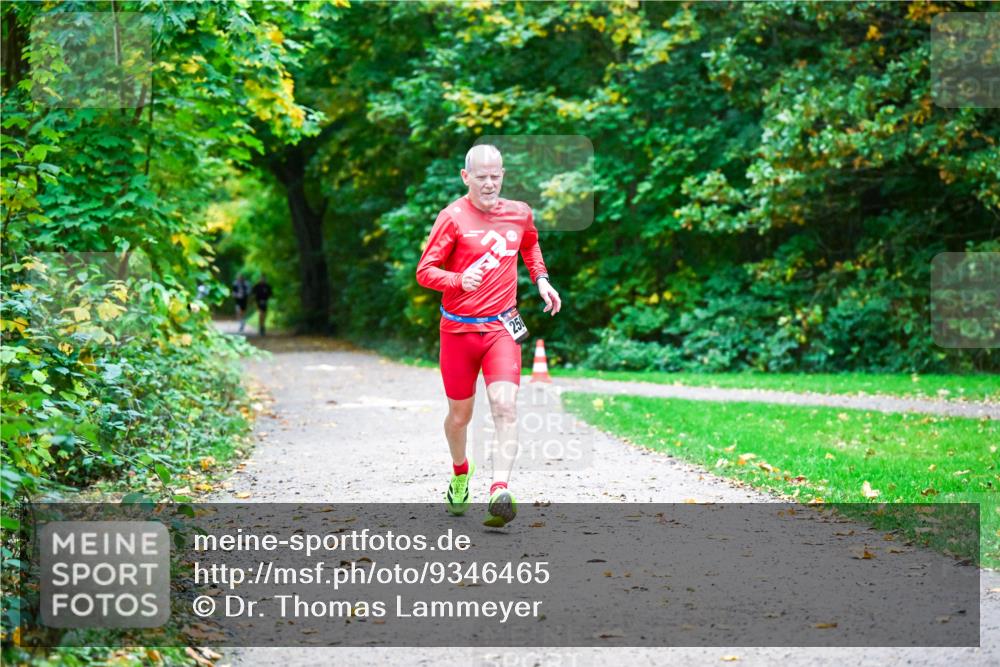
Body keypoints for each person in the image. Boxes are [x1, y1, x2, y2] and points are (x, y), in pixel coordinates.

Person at [416, 144, 562, 527]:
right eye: (481, 176)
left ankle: (499, 491)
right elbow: (425, 271)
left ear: (503, 175)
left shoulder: (519, 212)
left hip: (502, 327)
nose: (489, 183)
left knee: (505, 406)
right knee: (459, 417)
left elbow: (530, 244)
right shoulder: (452, 218)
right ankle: (460, 473)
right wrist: (458, 279)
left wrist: (542, 280)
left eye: (495, 175)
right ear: (466, 177)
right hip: (458, 331)